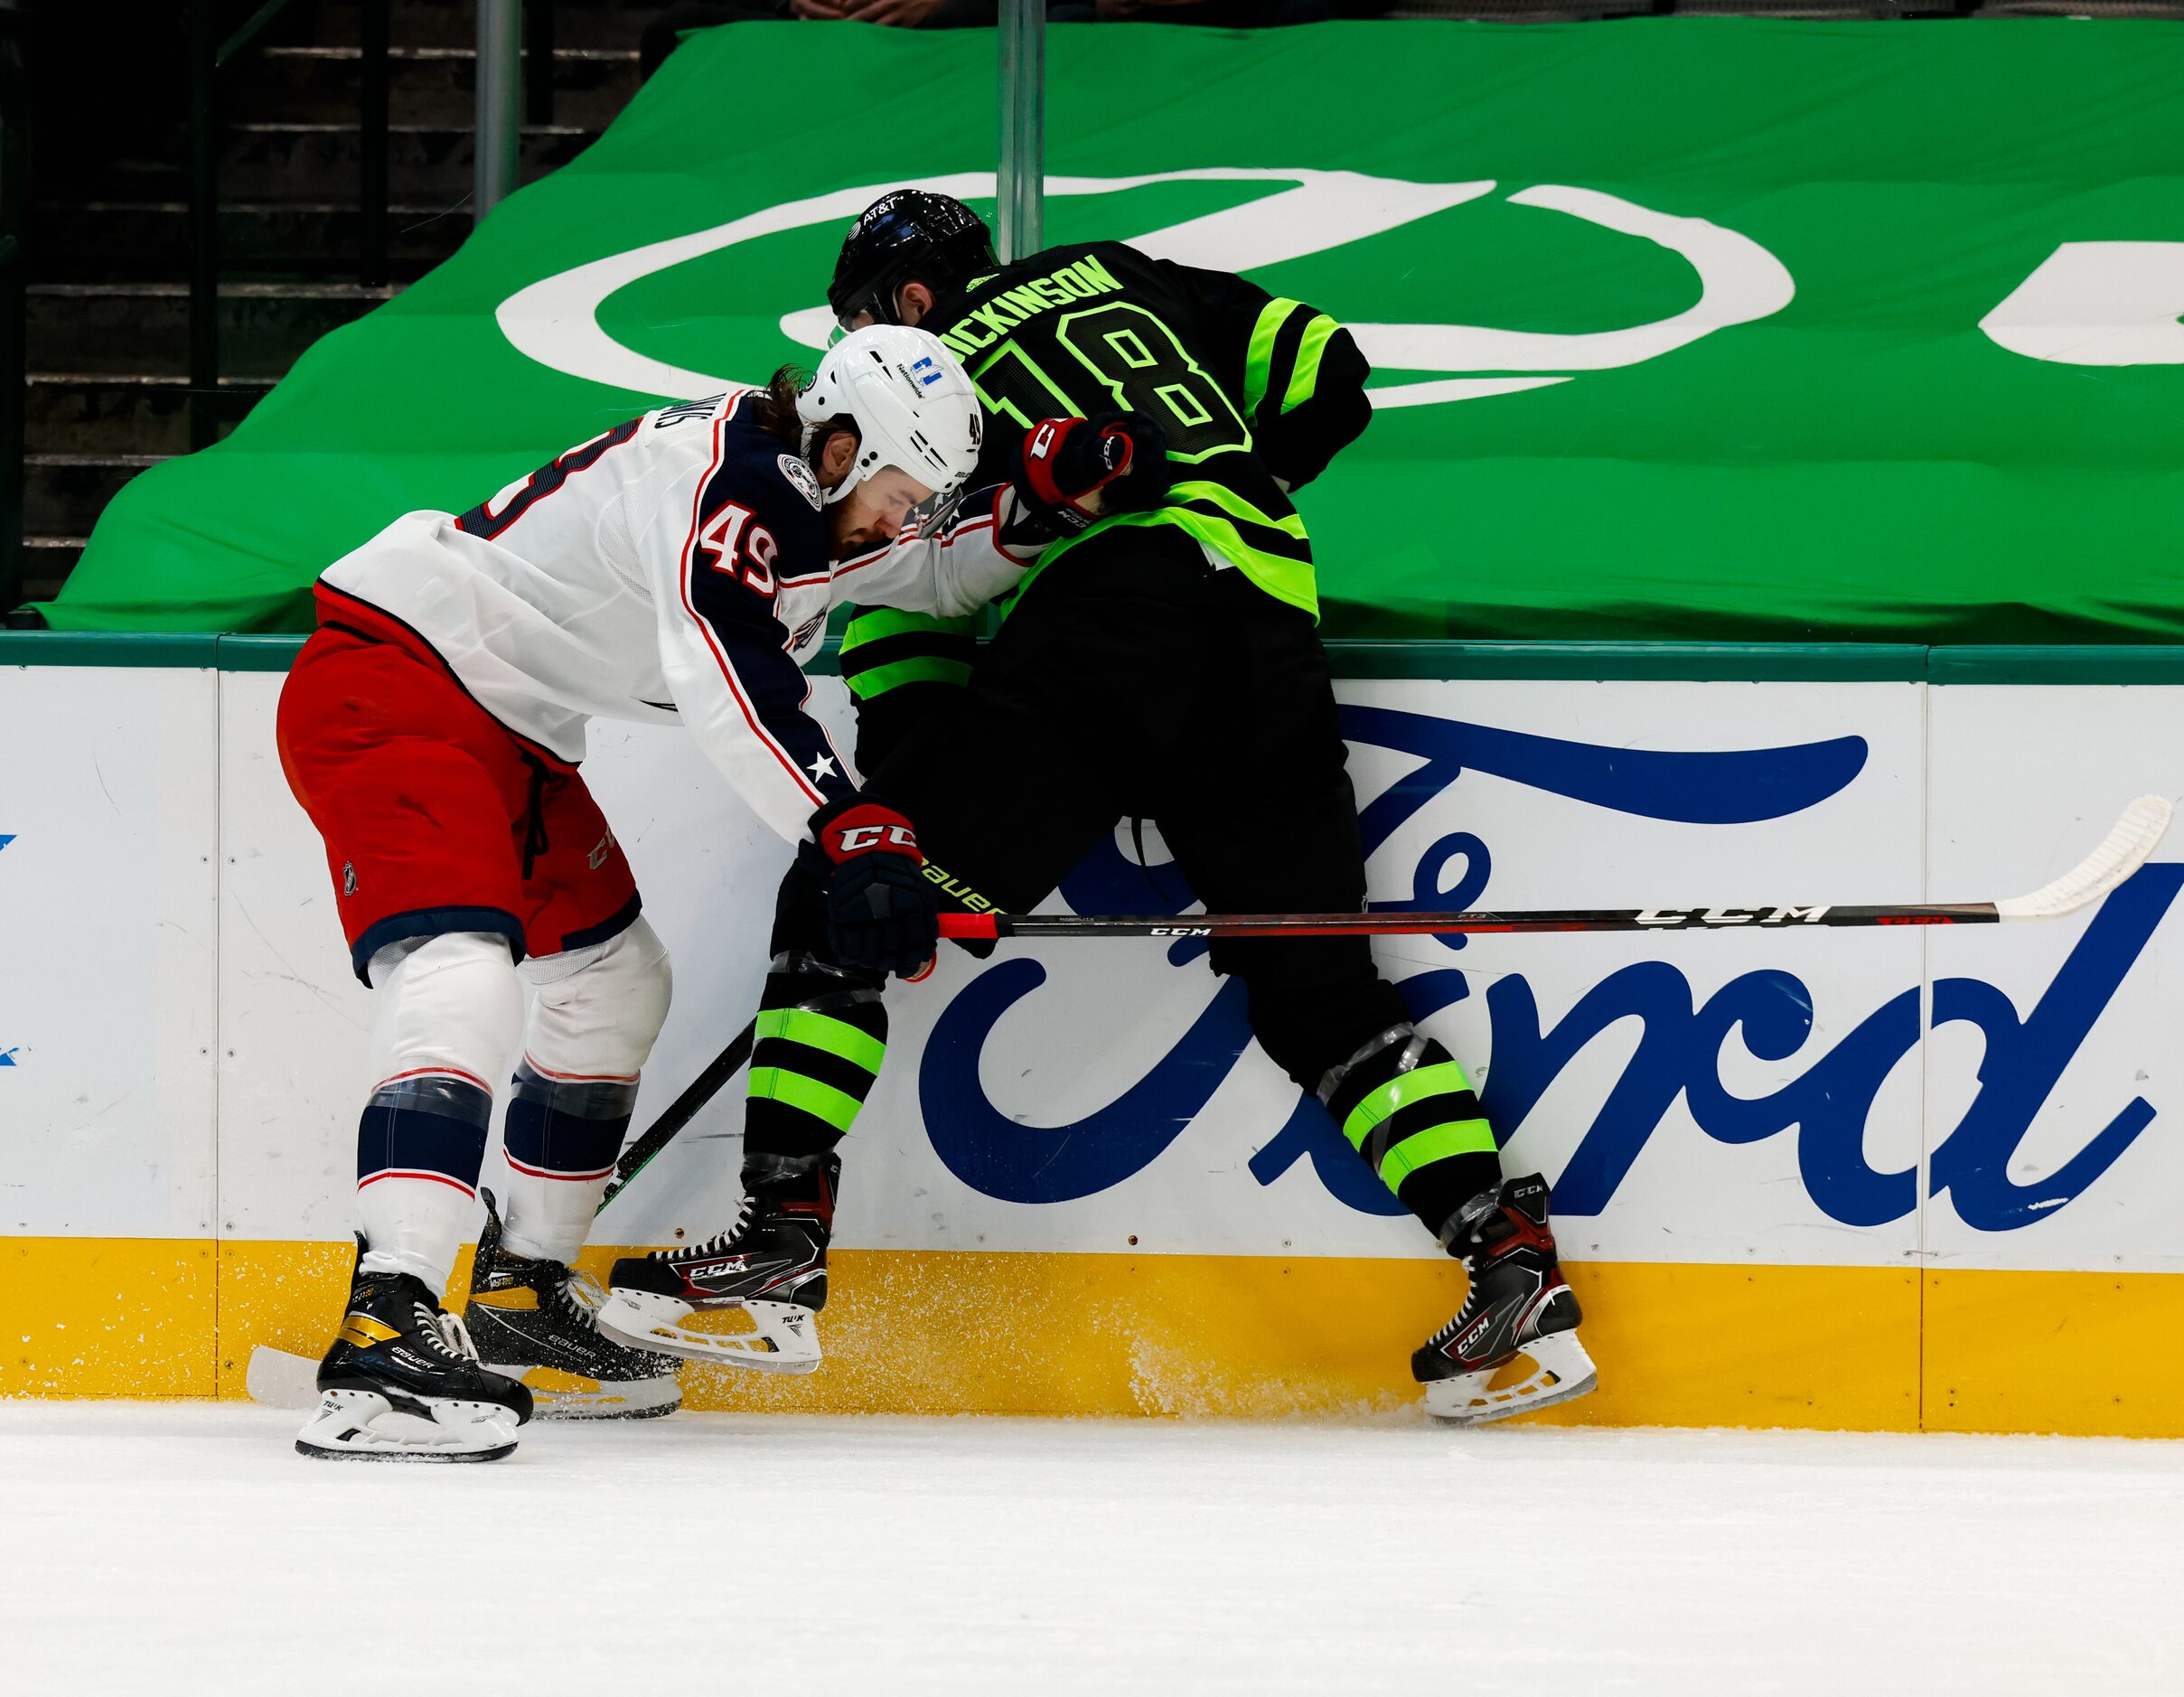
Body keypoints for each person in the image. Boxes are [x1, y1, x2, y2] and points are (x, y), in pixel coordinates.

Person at [600, 192, 1598, 1426]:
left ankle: (778, 1247)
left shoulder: (921, 384)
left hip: (1114, 623)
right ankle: (1507, 1260)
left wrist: (910, 834)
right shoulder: (1116, 270)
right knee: (1318, 990)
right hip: (1269, 620)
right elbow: (1331, 371)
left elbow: (916, 631)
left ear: (905, 303)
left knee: (833, 893)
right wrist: (1216, 483)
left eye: (859, 323)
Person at [276, 324, 1047, 1459]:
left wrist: (1047, 508)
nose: (906, 514)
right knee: (459, 966)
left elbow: (922, 569)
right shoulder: (733, 486)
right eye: (900, 487)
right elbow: (723, 669)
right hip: (398, 684)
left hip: (505, 727)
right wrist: (850, 826)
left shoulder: (797, 493)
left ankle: (520, 1294)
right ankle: (386, 1319)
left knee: (615, 979)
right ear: (841, 443)